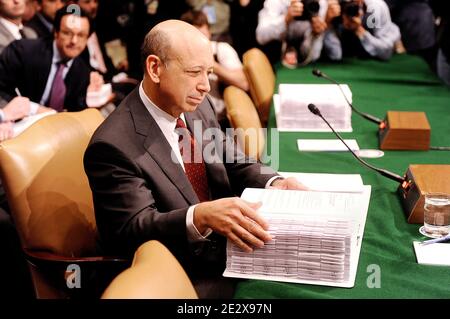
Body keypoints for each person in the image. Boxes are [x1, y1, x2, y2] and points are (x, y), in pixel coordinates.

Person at [83, 19, 306, 298]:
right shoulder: (113, 145)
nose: (204, 86)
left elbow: (232, 160)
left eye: (209, 72)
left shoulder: (195, 104)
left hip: (229, 250)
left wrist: (274, 181)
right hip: (179, 275)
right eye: (194, 72)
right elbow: (133, 231)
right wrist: (199, 218)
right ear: (155, 68)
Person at [0, 6, 93, 114]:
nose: (74, 41)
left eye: (81, 35)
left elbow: (76, 110)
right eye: (67, 33)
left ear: (87, 38)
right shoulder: (22, 51)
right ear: (56, 32)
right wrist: (32, 109)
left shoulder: (82, 71)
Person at [181, 9, 248, 127]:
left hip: (222, 120)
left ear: (209, 32)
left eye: (203, 35)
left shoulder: (221, 49)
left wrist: (212, 65)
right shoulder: (181, 57)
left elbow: (244, 83)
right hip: (192, 120)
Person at [256, 0, 331, 66]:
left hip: (304, 61)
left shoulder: (319, 3)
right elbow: (261, 37)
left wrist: (315, 34)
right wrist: (286, 19)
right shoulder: (277, 2)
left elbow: (314, 56)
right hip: (273, 57)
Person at [323, 0, 401, 61]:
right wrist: (327, 23)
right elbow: (335, 55)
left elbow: (385, 53)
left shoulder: (375, 8)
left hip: (370, 52)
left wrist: (359, 30)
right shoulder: (329, 6)